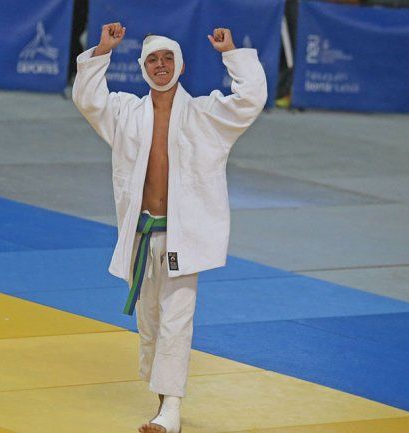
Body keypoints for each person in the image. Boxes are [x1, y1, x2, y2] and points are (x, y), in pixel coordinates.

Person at [72, 23, 267, 433]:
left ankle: (170, 413)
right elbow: (89, 100)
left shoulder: (206, 114)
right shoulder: (126, 112)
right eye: (152, 60)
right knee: (151, 326)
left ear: (181, 65)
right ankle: (163, 401)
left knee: (177, 321)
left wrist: (231, 53)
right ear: (143, 68)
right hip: (142, 234)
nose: (160, 66)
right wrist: (103, 51)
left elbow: (250, 99)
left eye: (167, 58)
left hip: (184, 236)